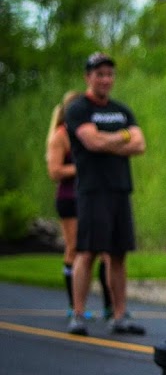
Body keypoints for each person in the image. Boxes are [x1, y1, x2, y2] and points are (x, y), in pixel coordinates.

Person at [64, 53, 147, 336]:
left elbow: (139, 144)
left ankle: (119, 315)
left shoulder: (122, 110)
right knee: (87, 251)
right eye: (99, 74)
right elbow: (91, 141)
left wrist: (112, 139)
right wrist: (121, 137)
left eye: (109, 74)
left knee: (119, 254)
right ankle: (77, 314)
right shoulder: (78, 109)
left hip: (119, 188)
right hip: (92, 189)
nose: (105, 79)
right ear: (88, 77)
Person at [46, 90, 115, 319]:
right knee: (76, 249)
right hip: (70, 198)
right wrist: (83, 167)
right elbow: (55, 171)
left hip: (95, 196)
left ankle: (110, 306)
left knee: (106, 250)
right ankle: (74, 306)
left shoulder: (88, 133)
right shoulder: (60, 136)